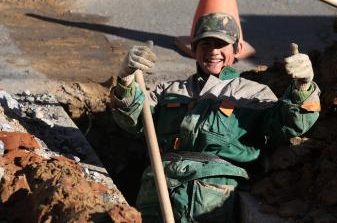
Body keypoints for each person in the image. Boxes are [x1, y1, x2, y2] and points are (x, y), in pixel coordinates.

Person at [111, 12, 320, 223]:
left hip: (211, 197)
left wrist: (303, 86)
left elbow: (287, 124)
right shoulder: (168, 91)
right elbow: (134, 120)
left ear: (237, 49)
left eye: (221, 44)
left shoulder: (252, 94)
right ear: (194, 48)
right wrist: (126, 81)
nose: (213, 51)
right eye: (205, 44)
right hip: (157, 190)